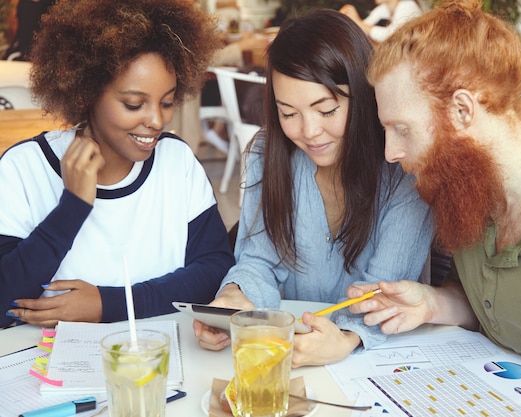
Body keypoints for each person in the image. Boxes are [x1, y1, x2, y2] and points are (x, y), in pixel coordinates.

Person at [348, 0, 521, 414]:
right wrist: (432, 303)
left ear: (462, 110)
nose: (391, 153)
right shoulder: (469, 190)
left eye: (401, 129)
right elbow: (489, 302)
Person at [193, 9, 434, 367]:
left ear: (364, 97)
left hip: (374, 362)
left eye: (326, 110)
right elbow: (259, 260)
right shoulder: (267, 152)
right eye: (288, 113)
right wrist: (234, 298)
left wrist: (347, 339)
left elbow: (385, 290)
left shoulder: (402, 165)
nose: (308, 131)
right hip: (286, 355)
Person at [0, 0, 236, 329]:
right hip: (47, 369)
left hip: (158, 364)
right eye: (133, 103)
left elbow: (215, 269)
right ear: (86, 93)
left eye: (167, 102)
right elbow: (3, 302)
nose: (157, 120)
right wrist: (73, 207)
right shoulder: (23, 169)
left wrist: (109, 303)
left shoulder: (176, 161)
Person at [340, 0, 422, 43]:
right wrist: (345, 17)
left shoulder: (407, 5)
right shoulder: (384, 8)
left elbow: (392, 35)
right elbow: (363, 28)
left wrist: (358, 22)